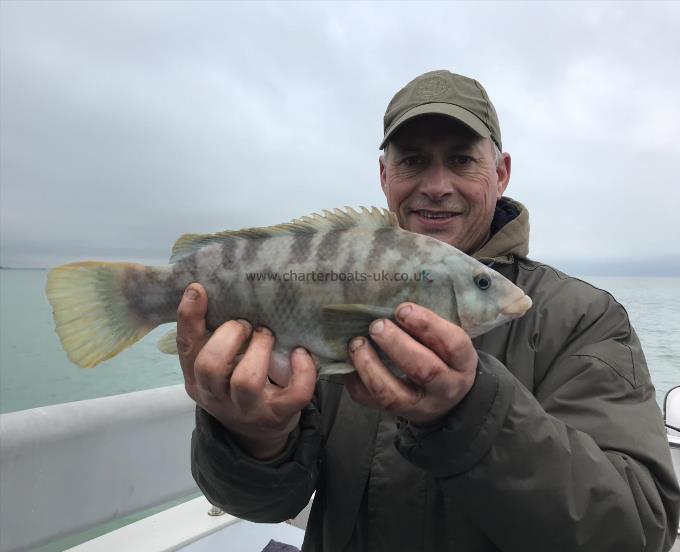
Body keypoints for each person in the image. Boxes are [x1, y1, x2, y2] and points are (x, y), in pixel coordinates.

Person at [177, 70, 680, 551]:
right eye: (413, 161)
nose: (436, 185)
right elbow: (267, 503)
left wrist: (469, 412)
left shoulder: (585, 318)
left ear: (501, 174)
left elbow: (634, 533)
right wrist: (252, 437)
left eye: (462, 161)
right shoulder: (332, 285)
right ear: (384, 175)